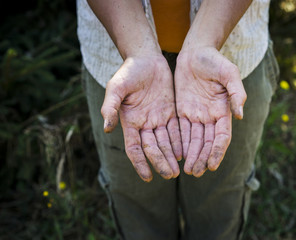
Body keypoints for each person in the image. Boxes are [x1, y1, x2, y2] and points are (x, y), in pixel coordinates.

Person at [77, 0, 279, 239]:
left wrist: (205, 43)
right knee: (138, 210)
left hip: (231, 56)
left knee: (219, 204)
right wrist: (136, 50)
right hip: (119, 64)